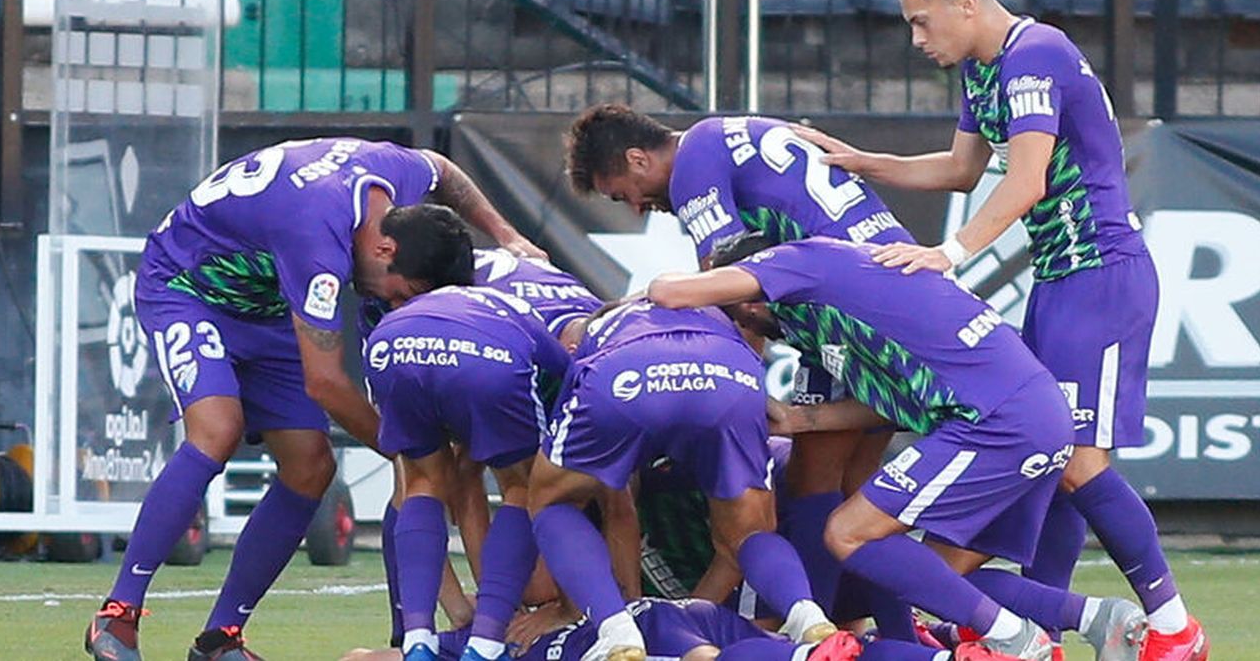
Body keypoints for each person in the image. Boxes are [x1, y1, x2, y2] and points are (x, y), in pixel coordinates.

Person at [791, 0, 1206, 661]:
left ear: (966, 3)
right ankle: (1049, 630)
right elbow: (960, 171)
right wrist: (863, 162)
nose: (919, 39)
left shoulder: (1034, 52)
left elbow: (1028, 182)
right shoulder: (984, 72)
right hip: (1061, 279)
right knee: (1050, 455)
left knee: (1076, 460)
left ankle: (1172, 624)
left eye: (923, 22)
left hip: (1102, 272)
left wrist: (946, 255)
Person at [84, 137, 541, 661]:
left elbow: (444, 171)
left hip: (271, 303)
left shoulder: (397, 183)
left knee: (311, 467)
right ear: (385, 250)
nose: (391, 305)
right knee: (217, 429)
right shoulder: (317, 236)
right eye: (399, 294)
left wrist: (510, 237)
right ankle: (118, 614)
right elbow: (324, 383)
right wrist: (408, 450)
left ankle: (221, 638)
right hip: (189, 289)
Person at [647, 234, 1146, 661]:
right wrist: (804, 419)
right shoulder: (829, 313)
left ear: (752, 296)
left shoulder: (797, 261)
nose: (749, 332)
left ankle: (1016, 640)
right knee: (933, 580)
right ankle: (1098, 617)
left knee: (848, 534)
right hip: (1027, 413)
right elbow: (891, 405)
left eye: (740, 319)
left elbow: (668, 293)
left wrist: (627, 311)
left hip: (998, 421)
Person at [565, 107, 911, 626]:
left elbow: (730, 284)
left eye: (622, 193)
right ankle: (893, 637)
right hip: (896, 287)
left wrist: (635, 312)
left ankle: (809, 641)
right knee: (857, 494)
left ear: (637, 158)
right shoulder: (734, 135)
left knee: (815, 484)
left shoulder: (694, 163)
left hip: (846, 305)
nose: (636, 207)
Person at [528, 298, 839, 661]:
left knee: (552, 503)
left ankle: (615, 628)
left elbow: (618, 507)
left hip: (624, 377)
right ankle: (807, 614)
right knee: (749, 535)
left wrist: (629, 611)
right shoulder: (708, 315)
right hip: (726, 378)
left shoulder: (596, 339)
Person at [365, 247, 604, 647]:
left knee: (422, 481)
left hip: (391, 343)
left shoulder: (409, 298)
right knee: (526, 487)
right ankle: (488, 638)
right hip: (487, 354)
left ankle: (417, 637)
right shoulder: (573, 348)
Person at [341, 596, 1022, 661]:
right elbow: (358, 656)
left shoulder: (502, 634)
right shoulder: (480, 640)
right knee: (771, 642)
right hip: (691, 616)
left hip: (647, 630)